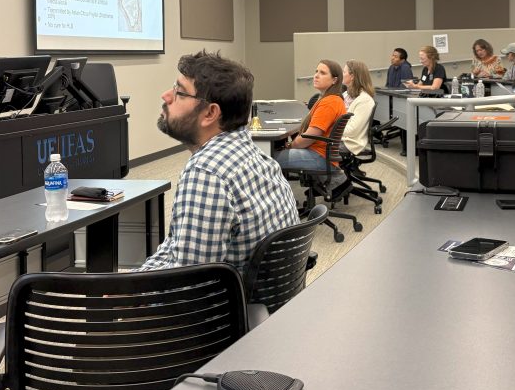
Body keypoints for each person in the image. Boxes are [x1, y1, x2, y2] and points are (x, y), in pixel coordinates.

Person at [138, 51, 299, 273]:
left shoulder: (206, 173)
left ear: (210, 113)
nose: (166, 96)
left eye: (180, 92)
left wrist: (127, 298)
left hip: (223, 306)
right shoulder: (259, 159)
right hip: (264, 304)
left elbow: (186, 286)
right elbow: (175, 245)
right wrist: (136, 279)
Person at [275, 59, 349, 195]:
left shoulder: (328, 103)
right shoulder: (332, 99)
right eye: (316, 71)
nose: (316, 75)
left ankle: (281, 201)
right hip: (322, 154)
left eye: (322, 73)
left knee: (269, 159)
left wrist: (290, 145)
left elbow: (309, 138)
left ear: (334, 80)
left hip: (318, 156)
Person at [341, 60, 376, 156]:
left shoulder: (365, 100)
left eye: (344, 72)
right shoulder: (347, 94)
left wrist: (328, 129)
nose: (342, 74)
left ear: (352, 76)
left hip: (350, 143)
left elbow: (352, 131)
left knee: (313, 144)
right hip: (340, 137)